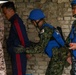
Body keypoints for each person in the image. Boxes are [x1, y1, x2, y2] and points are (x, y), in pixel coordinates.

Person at [15, 9, 70, 75]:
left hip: (58, 57)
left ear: (36, 20)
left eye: (32, 21)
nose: (32, 23)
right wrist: (30, 44)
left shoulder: (46, 30)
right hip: (57, 57)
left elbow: (40, 48)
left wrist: (24, 50)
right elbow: (43, 44)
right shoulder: (47, 27)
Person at [1, 1, 31, 75]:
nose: (5, 16)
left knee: (18, 73)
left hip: (18, 54)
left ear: (11, 11)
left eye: (5, 13)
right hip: (16, 53)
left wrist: (27, 51)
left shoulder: (16, 22)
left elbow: (23, 37)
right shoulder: (14, 22)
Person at [66, 0, 76, 74]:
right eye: (72, 8)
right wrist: (69, 54)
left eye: (75, 8)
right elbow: (70, 39)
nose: (73, 10)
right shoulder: (74, 23)